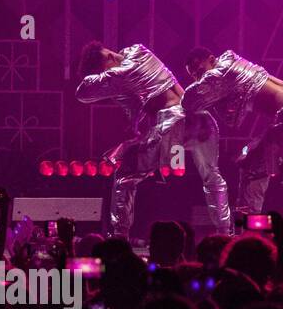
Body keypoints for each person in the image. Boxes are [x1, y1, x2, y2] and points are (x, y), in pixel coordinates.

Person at [75, 42, 231, 239]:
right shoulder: (140, 51)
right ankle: (226, 233)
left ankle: (119, 237)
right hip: (200, 117)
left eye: (102, 70)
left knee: (125, 174)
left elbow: (82, 93)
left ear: (108, 59)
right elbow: (163, 91)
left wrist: (104, 76)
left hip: (173, 122)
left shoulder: (120, 74)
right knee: (212, 176)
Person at [182, 47, 283, 216]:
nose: (200, 77)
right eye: (194, 75)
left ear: (212, 59)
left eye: (200, 70)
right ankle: (249, 229)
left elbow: (188, 100)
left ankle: (248, 231)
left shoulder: (221, 72)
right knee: (254, 166)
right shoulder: (232, 61)